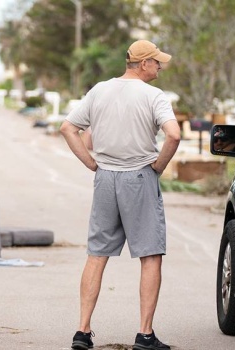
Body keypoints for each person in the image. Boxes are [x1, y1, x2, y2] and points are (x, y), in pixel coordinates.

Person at [60, 39, 181, 350]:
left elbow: (67, 128)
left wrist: (92, 164)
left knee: (97, 254)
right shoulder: (154, 96)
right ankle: (144, 334)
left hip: (105, 179)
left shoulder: (100, 89)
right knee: (151, 255)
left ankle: (82, 331)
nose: (160, 67)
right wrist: (158, 167)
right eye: (156, 62)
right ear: (143, 64)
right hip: (139, 177)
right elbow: (174, 134)